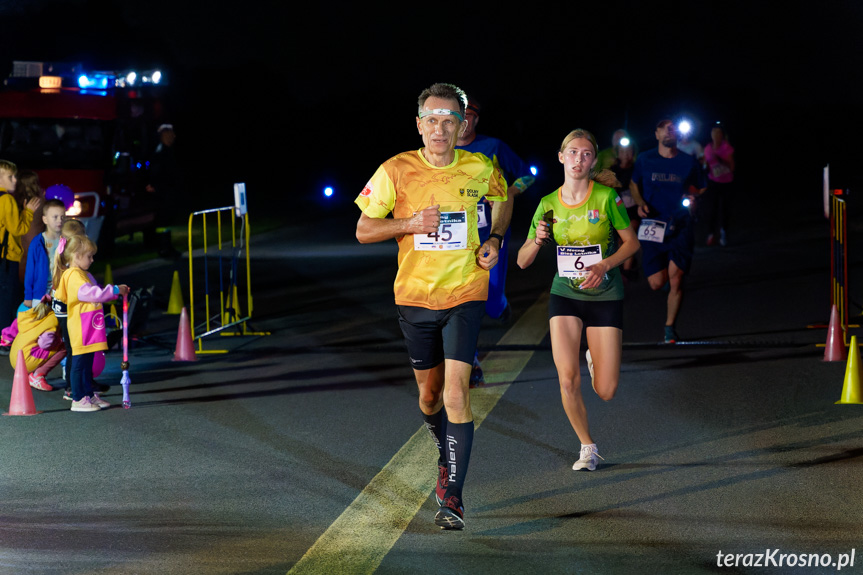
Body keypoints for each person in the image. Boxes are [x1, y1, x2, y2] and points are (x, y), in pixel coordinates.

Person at [354, 82, 508, 530]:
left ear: (462, 125)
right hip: (415, 297)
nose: (440, 128)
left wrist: (495, 237)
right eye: (432, 120)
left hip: (465, 292)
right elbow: (364, 229)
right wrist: (409, 223)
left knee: (457, 394)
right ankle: (445, 453)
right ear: (419, 125)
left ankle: (453, 497)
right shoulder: (396, 170)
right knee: (429, 395)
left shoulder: (481, 166)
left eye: (449, 120)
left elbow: (503, 198)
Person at [517, 129, 639, 471]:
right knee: (567, 378)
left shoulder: (606, 199)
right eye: (572, 152)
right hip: (565, 294)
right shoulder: (547, 204)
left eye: (586, 154)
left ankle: (595, 358)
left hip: (605, 294)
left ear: (593, 161)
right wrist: (538, 239)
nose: (578, 159)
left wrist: (605, 264)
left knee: (606, 390)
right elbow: (522, 261)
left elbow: (632, 243)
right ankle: (588, 447)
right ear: (561, 157)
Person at [455, 96, 534, 383]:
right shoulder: (441, 150)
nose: (463, 122)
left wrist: (510, 193)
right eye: (457, 116)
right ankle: (472, 363)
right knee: (466, 302)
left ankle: (500, 306)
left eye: (469, 116)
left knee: (489, 303)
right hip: (457, 239)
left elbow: (528, 175)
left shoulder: (494, 146)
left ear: (476, 119)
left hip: (491, 236)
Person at [629, 119, 706, 343]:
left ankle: (669, 327)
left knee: (677, 278)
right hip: (653, 225)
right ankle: (662, 284)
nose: (669, 131)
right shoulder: (645, 159)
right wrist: (639, 201)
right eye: (664, 128)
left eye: (673, 128)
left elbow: (701, 186)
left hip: (681, 224)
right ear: (656, 133)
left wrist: (692, 197)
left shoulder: (687, 161)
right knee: (656, 283)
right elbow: (634, 184)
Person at [53, 233, 128, 412]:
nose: (92, 260)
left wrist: (113, 293)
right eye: (89, 256)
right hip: (81, 328)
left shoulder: (82, 274)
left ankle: (87, 393)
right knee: (79, 364)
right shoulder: (74, 276)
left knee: (86, 364)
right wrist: (115, 289)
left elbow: (96, 292)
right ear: (77, 256)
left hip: (88, 327)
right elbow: (94, 293)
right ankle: (78, 398)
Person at [0, 160, 40, 330]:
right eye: (10, 176)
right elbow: (18, 229)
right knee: (7, 299)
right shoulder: (7, 199)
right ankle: (5, 337)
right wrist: (28, 212)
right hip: (7, 257)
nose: (15, 180)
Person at [8, 295, 65, 391]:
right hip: (26, 361)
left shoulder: (36, 312)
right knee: (65, 347)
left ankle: (26, 374)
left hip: (15, 358)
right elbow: (45, 343)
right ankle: (38, 376)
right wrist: (59, 339)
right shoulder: (53, 319)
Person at [24, 199, 65, 308]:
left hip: (61, 294)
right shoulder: (37, 243)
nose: (59, 220)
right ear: (45, 219)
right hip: (40, 295)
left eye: (62, 217)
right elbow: (30, 270)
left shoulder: (66, 241)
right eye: (55, 217)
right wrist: (28, 296)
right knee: (42, 324)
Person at [702, 123, 735, 247]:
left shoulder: (727, 147)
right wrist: (705, 166)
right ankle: (711, 234)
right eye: (714, 133)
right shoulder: (708, 148)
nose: (716, 135)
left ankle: (724, 233)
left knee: (725, 209)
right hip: (713, 182)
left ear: (722, 135)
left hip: (726, 182)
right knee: (712, 209)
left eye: (718, 133)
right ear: (711, 135)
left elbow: (732, 167)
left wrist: (720, 160)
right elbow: (705, 165)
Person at [14, 170, 46, 285]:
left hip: (22, 236)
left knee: (23, 262)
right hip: (35, 236)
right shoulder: (39, 200)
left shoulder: (17, 200)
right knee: (34, 262)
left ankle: (22, 287)